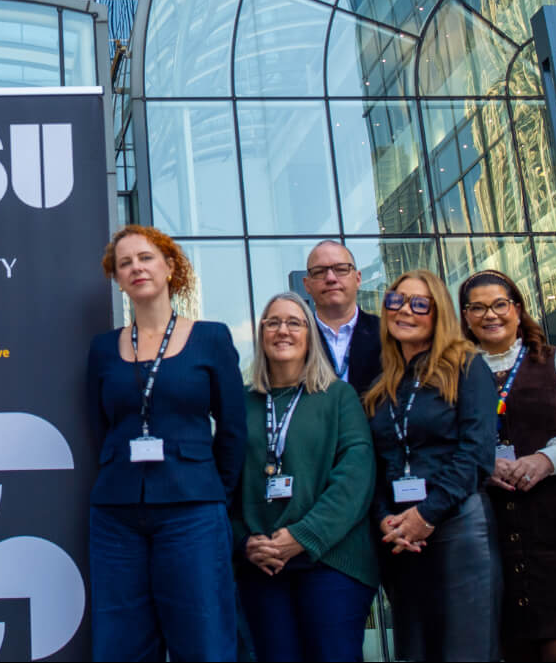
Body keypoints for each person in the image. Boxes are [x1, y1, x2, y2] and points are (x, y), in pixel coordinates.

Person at [86, 224, 247, 661]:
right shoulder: (103, 349)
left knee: (204, 639)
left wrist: (216, 496)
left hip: (192, 511)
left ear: (170, 267)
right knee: (121, 644)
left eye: (146, 257)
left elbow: (233, 429)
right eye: (125, 263)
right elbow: (100, 427)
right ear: (117, 278)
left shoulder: (211, 338)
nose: (136, 267)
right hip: (116, 516)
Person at [459, 269, 556, 662]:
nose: (489, 315)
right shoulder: (452, 376)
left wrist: (549, 458)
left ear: (517, 309)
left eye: (499, 305)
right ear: (464, 317)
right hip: (491, 546)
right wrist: (482, 463)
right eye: (477, 308)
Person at [231, 291, 377, 662]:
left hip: (331, 561)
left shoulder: (339, 397)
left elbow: (354, 479)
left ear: (310, 335)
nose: (283, 330)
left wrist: (303, 536)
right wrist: (245, 542)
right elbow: (222, 485)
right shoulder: (239, 403)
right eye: (273, 322)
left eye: (294, 322)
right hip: (262, 564)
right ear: (261, 334)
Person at [365, 268, 500, 661]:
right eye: (396, 300)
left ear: (438, 312)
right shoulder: (381, 384)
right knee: (417, 651)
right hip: (400, 537)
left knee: (465, 652)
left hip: (458, 529)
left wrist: (426, 514)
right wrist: (383, 518)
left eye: (418, 303)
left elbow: (476, 454)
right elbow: (374, 462)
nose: (404, 310)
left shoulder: (467, 366)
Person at [303, 240, 382, 394]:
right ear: (307, 285)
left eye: (341, 269)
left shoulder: (385, 333)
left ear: (358, 279)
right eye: (319, 272)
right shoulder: (297, 338)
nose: (331, 278)